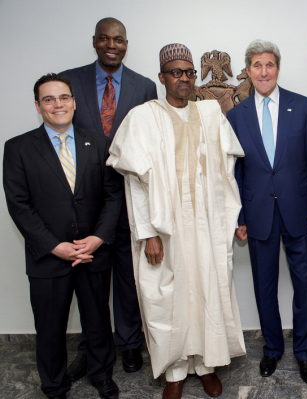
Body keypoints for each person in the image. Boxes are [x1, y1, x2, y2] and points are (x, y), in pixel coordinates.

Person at [106, 43, 246, 399]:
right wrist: (148, 233)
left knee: (208, 291)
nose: (183, 78)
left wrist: (226, 218)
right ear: (162, 77)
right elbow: (135, 184)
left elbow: (227, 170)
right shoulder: (143, 117)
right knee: (166, 300)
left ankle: (207, 365)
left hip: (205, 225)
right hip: (164, 229)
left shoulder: (211, 113)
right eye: (176, 72)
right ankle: (175, 371)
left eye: (188, 72)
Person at [3, 73, 122, 399]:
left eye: (64, 97)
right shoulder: (17, 148)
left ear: (73, 101)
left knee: (98, 321)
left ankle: (101, 374)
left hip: (93, 252)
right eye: (49, 99)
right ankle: (54, 386)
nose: (58, 104)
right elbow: (19, 205)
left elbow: (113, 196)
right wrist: (56, 247)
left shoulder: (97, 142)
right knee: (50, 329)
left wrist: (97, 239)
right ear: (38, 106)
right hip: (49, 258)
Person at [60, 17, 158, 378]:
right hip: (84, 199)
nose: (111, 45)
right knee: (90, 280)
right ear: (95, 42)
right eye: (104, 39)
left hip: (130, 196)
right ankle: (91, 348)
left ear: (126, 44)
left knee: (129, 277)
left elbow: (149, 143)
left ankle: (129, 344)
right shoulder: (70, 81)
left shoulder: (145, 86)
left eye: (118, 39)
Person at [226, 39, 307, 384]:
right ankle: (272, 349)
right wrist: (239, 217)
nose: (264, 71)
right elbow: (235, 173)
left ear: (278, 68)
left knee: (305, 285)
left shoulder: (301, 107)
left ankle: (304, 353)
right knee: (264, 287)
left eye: (269, 64)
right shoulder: (235, 115)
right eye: (257, 65)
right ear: (248, 70)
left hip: (299, 210)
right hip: (258, 214)